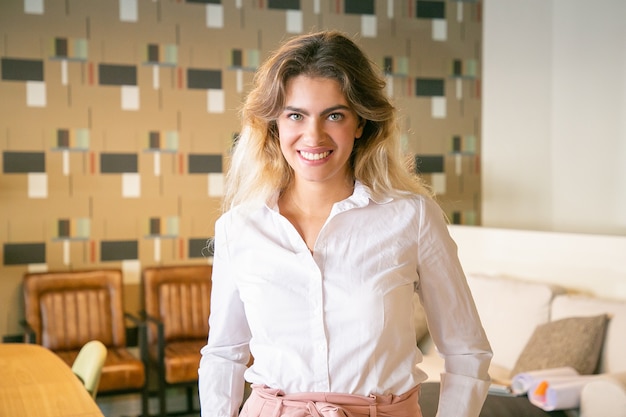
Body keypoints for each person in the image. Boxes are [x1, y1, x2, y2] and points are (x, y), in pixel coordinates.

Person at [198, 30, 492, 417]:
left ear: (360, 123)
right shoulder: (239, 228)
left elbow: (466, 351)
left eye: (333, 115)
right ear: (275, 125)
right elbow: (223, 354)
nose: (313, 135)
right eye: (295, 115)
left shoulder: (412, 218)